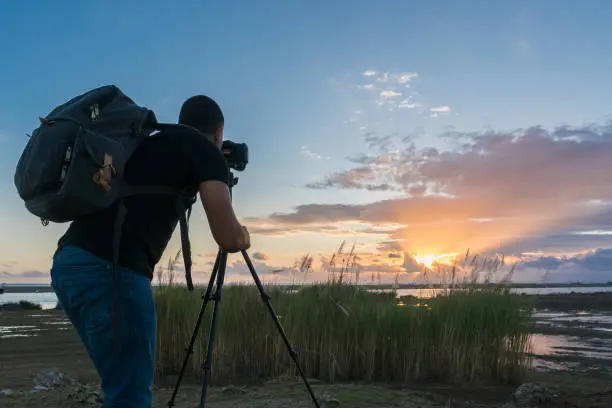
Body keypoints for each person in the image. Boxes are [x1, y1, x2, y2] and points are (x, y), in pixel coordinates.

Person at [49, 95, 251, 407]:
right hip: (113, 270)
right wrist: (244, 236)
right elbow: (229, 238)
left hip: (69, 262)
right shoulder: (203, 150)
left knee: (118, 385)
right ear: (218, 132)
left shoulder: (147, 143)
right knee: (129, 396)